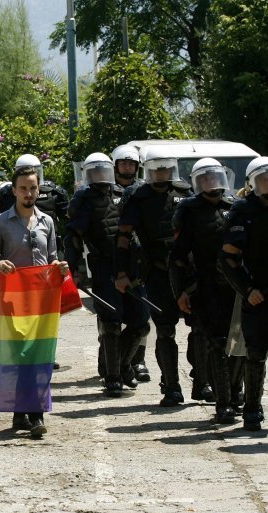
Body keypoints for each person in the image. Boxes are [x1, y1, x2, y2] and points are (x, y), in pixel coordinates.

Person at [0, 166, 68, 438]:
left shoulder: (48, 221)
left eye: (33, 188)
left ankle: (21, 413)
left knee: (36, 357)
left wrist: (60, 267)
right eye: (23, 188)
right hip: (12, 301)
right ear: (14, 190)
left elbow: (52, 257)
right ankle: (36, 414)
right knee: (24, 357)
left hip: (42, 301)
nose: (29, 193)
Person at [66, 153, 149, 397]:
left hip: (133, 268)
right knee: (111, 323)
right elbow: (73, 237)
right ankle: (112, 377)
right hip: (104, 267)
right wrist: (77, 270)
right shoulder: (84, 199)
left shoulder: (133, 193)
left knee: (141, 323)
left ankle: (122, 365)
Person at [116, 146, 193, 407]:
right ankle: (171, 386)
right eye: (156, 167)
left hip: (189, 271)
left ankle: (205, 381)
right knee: (165, 330)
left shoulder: (185, 193)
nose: (162, 172)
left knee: (205, 329)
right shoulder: (137, 196)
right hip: (157, 272)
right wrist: (122, 272)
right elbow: (124, 237)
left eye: (165, 167)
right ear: (149, 169)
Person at [170, 158, 237, 424]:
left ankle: (236, 393)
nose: (212, 183)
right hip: (205, 287)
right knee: (217, 344)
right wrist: (181, 291)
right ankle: (224, 403)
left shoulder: (234, 209)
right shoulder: (189, 211)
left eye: (215, 177)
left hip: (235, 288)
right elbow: (177, 257)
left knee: (242, 347)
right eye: (206, 179)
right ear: (198, 183)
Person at [220, 156, 268, 431]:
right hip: (259, 294)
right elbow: (228, 259)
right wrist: (247, 289)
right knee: (256, 353)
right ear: (254, 183)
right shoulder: (243, 210)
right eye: (264, 179)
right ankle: (252, 409)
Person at [109, 144, 151, 384]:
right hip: (110, 258)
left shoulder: (143, 191)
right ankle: (112, 365)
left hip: (137, 261)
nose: (127, 167)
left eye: (131, 163)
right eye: (123, 163)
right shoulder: (103, 189)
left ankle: (138, 361)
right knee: (110, 321)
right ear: (115, 165)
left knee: (142, 318)